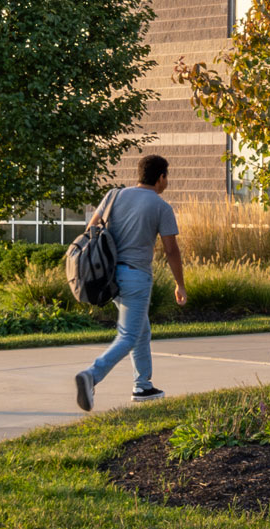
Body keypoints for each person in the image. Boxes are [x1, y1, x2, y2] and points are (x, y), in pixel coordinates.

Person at [72, 154, 187, 410]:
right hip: (136, 277)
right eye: (167, 177)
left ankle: (143, 386)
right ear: (161, 178)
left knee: (140, 329)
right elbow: (172, 251)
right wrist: (180, 284)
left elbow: (91, 230)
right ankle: (92, 375)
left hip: (110, 278)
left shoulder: (114, 195)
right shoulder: (161, 207)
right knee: (129, 335)